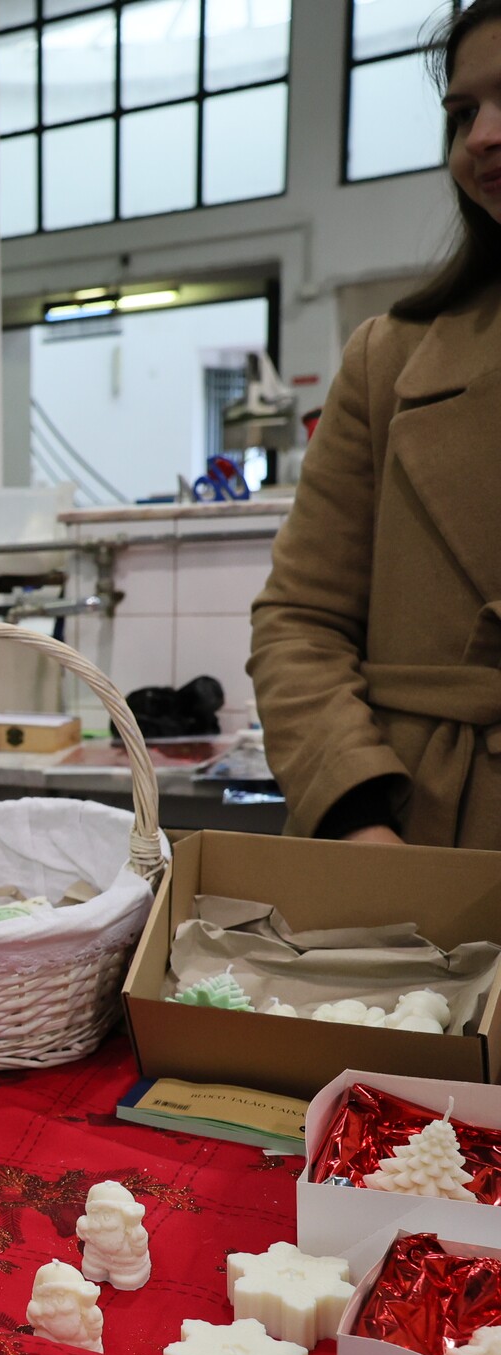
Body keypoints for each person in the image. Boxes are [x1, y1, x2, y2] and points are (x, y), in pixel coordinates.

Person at [251, 0, 501, 848]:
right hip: (421, 840)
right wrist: (355, 814)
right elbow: (299, 618)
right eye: (463, 113)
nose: (481, 138)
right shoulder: (389, 361)